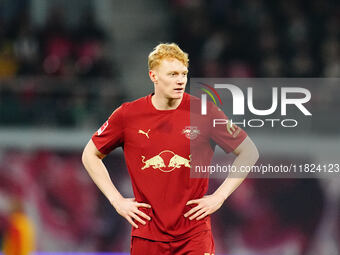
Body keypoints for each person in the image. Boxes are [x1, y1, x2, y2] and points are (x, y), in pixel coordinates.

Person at [82, 43, 259, 254]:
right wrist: (116, 200)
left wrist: (219, 196)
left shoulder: (205, 112)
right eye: (173, 74)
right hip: (147, 236)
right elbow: (90, 155)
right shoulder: (127, 115)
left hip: (193, 235)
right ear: (154, 76)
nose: (181, 80)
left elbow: (249, 151)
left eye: (184, 73)